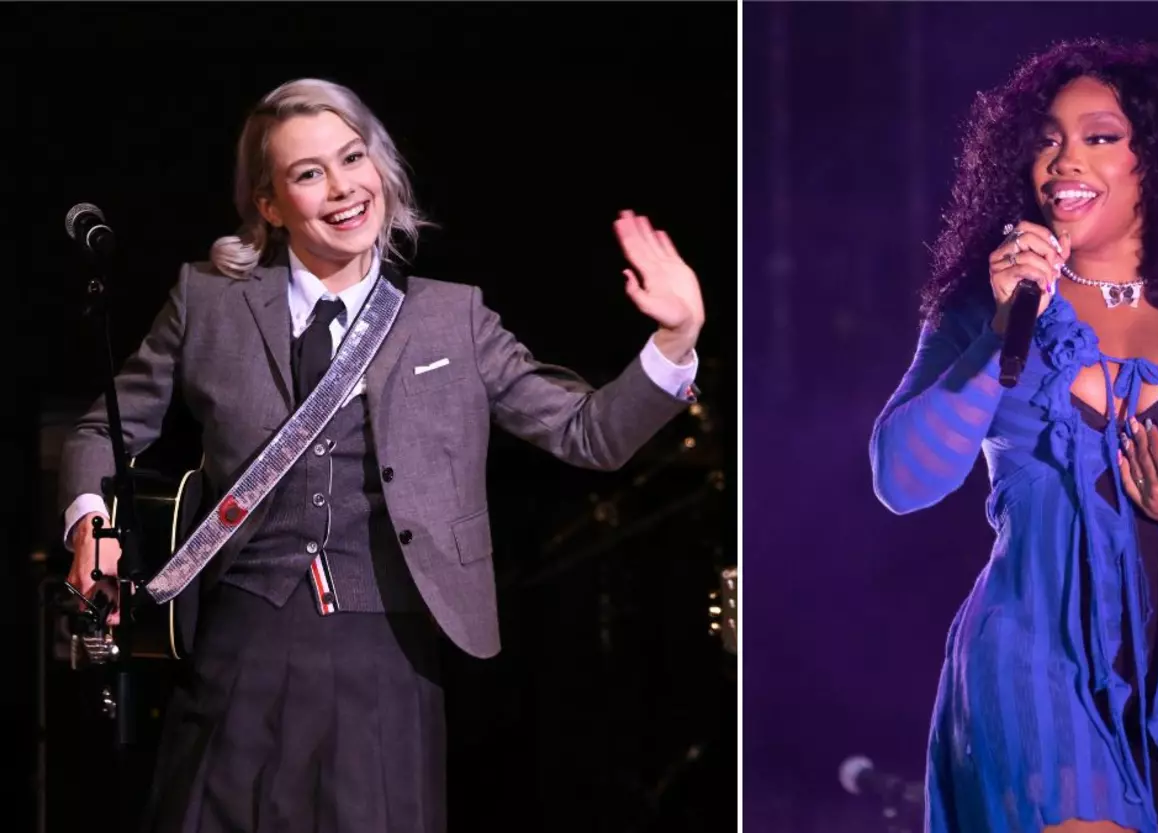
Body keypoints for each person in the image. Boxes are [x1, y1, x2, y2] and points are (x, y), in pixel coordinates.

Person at [60, 77, 705, 833]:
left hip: (387, 654)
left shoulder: (451, 317)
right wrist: (86, 522)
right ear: (269, 204)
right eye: (308, 173)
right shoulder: (208, 302)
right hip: (242, 646)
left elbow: (589, 434)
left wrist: (676, 340)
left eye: (352, 158)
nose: (342, 189)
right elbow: (101, 431)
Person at [869, 39, 1158, 833]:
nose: (1063, 160)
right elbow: (902, 479)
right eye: (1048, 138)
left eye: (1098, 137)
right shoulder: (980, 306)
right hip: (1033, 655)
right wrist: (998, 332)